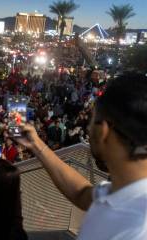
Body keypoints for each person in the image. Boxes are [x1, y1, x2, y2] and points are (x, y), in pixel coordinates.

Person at [17, 73, 147, 240]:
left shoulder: (136, 228)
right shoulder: (122, 195)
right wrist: (36, 144)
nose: (88, 129)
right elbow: (81, 193)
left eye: (92, 120)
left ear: (104, 130)